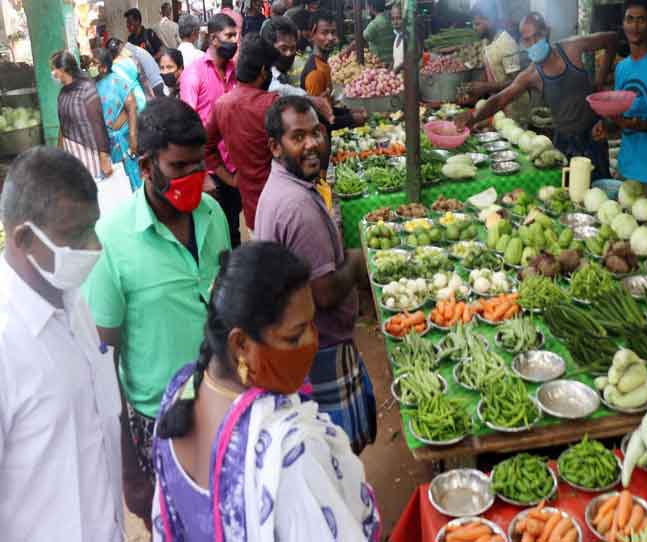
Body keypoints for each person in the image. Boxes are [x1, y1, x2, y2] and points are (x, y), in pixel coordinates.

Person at [151, 242, 381, 542]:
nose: (312, 341)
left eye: (312, 324)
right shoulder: (288, 454)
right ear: (241, 345)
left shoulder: (180, 393)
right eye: (295, 335)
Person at [84, 97, 231, 531]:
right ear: (146, 166)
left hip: (222, 402)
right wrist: (129, 469)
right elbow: (103, 359)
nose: (192, 178)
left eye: (197, 165)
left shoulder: (214, 214)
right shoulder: (112, 240)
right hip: (159, 424)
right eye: (178, 167)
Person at [0, 146, 123, 541]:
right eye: (75, 235)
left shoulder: (73, 299)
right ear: (23, 238)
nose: (93, 248)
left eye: (94, 229)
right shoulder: (6, 341)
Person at [255, 96, 376, 454]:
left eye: (316, 134)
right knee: (338, 454)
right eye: (298, 137)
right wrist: (357, 260)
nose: (312, 145)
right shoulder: (297, 207)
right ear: (276, 146)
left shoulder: (286, 189)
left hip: (306, 347)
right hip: (320, 348)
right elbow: (324, 293)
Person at [456, 12, 618, 179]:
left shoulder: (571, 48)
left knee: (601, 186)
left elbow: (611, 39)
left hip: (593, 134)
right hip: (564, 142)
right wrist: (474, 117)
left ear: (546, 32)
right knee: (569, 191)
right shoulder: (532, 75)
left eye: (537, 36)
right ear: (523, 42)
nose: (533, 43)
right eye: (527, 39)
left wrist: (600, 80)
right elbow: (500, 99)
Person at [593, 0, 647, 196]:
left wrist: (644, 126)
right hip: (626, 165)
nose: (634, 26)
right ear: (623, 24)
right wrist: (607, 126)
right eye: (629, 19)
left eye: (641, 20)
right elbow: (620, 116)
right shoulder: (622, 68)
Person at [205, 34, 280, 234]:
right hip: (282, 202)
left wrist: (230, 179)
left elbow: (206, 147)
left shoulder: (222, 105)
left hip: (252, 207)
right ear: (264, 71)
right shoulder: (272, 103)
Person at [180, 13, 242, 246]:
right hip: (210, 169)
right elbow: (188, 125)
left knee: (233, 227)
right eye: (229, 36)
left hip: (235, 163)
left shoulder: (236, 71)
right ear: (213, 39)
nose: (234, 41)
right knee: (215, 232)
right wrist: (202, 174)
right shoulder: (194, 74)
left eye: (235, 36)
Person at [460, 0, 532, 125]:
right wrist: (475, 92)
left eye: (477, 24)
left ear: (490, 20)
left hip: (514, 109)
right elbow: (489, 69)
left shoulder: (505, 43)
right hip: (498, 105)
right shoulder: (487, 41)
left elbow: (516, 82)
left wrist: (485, 87)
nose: (474, 28)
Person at [50, 50, 113, 180]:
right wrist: (59, 152)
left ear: (62, 69)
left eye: (53, 69)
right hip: (71, 154)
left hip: (89, 154)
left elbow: (98, 124)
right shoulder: (62, 93)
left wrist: (103, 156)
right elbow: (63, 125)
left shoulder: (86, 88)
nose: (52, 73)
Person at [92, 48, 142, 191]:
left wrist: (133, 137)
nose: (90, 67)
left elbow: (132, 107)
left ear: (104, 67)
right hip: (105, 142)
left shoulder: (118, 81)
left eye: (94, 63)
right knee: (114, 183)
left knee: (129, 176)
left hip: (123, 139)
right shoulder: (91, 85)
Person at [300, 9, 337, 96]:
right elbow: (317, 109)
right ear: (312, 34)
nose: (331, 37)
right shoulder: (315, 73)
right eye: (324, 32)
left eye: (333, 32)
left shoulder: (322, 63)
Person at [362, 0, 393, 66]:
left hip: (379, 63)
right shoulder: (390, 19)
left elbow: (361, 39)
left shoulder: (374, 24)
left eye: (368, 7)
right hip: (391, 61)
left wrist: (346, 51)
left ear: (372, 7)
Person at [391, 2, 404, 73]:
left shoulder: (409, 38)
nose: (395, 22)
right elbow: (396, 60)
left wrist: (395, 71)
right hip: (397, 80)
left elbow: (410, 60)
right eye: (393, 19)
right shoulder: (397, 37)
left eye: (399, 18)